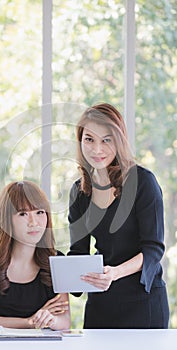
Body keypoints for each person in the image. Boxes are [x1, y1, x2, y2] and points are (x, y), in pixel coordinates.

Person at [67, 103, 169, 329]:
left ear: (119, 140)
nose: (97, 149)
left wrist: (115, 273)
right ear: (80, 141)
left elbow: (153, 249)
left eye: (106, 140)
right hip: (101, 304)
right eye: (89, 139)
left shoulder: (143, 182)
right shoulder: (79, 192)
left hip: (143, 303)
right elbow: (78, 252)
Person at [0, 180, 71, 330]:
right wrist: (28, 323)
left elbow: (64, 321)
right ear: (6, 220)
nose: (33, 222)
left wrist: (50, 320)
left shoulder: (56, 262)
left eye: (40, 212)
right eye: (23, 214)